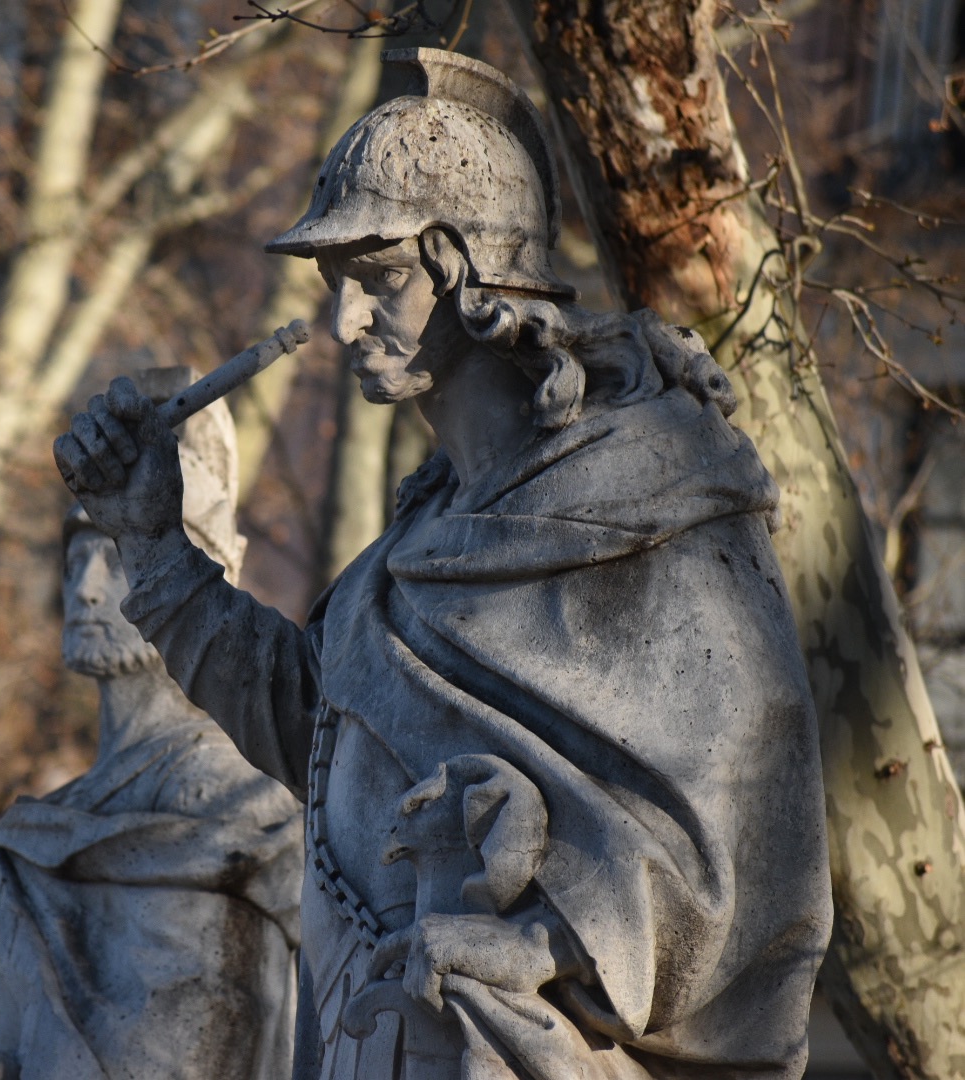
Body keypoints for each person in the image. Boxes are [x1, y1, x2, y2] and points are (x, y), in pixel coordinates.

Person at [54, 49, 831, 1080]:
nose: (344, 322)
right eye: (334, 285)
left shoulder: (659, 503)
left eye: (377, 280)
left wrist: (543, 945)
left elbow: (746, 822)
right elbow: (316, 730)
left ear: (468, 274)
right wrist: (155, 541)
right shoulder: (405, 556)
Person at [0, 373, 303, 1080]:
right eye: (74, 562)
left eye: (114, 561)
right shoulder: (37, 834)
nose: (85, 590)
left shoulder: (256, 806)